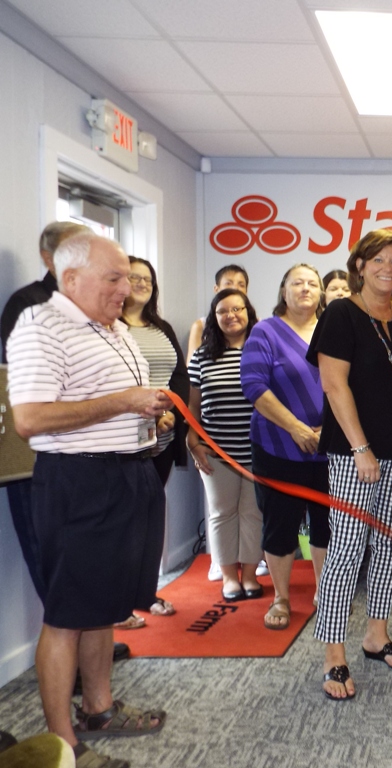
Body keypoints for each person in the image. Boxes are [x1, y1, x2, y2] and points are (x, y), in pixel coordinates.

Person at [7, 232, 169, 768]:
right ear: (70, 278)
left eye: (129, 277)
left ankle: (98, 709)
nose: (128, 288)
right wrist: (123, 401)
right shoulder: (41, 326)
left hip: (127, 476)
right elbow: (30, 419)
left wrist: (147, 413)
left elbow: (108, 402)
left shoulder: (114, 328)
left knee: (104, 605)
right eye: (115, 277)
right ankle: (64, 743)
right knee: (68, 615)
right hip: (79, 483)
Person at [309, 229, 392, 700]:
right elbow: (333, 384)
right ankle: (333, 654)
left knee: (388, 547)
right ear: (359, 265)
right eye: (378, 259)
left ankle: (376, 636)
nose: (388, 268)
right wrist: (361, 448)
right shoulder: (341, 314)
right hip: (353, 455)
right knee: (345, 551)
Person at [1, 221, 90, 604]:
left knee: (82, 553)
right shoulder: (29, 304)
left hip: (84, 450)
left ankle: (86, 629)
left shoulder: (91, 303)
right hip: (36, 453)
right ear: (48, 258)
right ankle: (63, 632)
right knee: (46, 553)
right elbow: (27, 383)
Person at [241, 264, 329, 631]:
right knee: (280, 524)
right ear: (283, 290)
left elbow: (351, 384)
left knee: (327, 523)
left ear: (321, 292)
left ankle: (326, 592)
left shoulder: (332, 331)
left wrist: (328, 430)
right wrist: (296, 428)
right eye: (297, 282)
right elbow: (253, 385)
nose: (305, 288)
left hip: (329, 447)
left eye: (312, 283)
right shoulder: (265, 332)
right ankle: (280, 597)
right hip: (277, 446)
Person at [119, 255, 190, 624]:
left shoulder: (161, 327)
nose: (142, 283)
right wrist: (149, 413)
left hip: (161, 439)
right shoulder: (110, 327)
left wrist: (171, 413)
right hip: (125, 440)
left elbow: (179, 377)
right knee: (124, 523)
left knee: (150, 518)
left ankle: (145, 594)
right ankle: (118, 603)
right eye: (134, 277)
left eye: (147, 278)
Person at [187, 289, 262, 604]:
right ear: (214, 318)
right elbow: (193, 406)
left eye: (237, 309)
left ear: (248, 312)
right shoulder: (202, 356)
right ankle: (229, 577)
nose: (231, 316)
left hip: (259, 450)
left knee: (253, 513)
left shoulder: (262, 352)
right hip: (217, 452)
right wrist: (193, 441)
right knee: (222, 513)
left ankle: (250, 575)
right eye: (223, 311)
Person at [187, 264, 249, 358]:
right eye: (228, 283)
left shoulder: (258, 324)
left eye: (241, 285)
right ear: (216, 289)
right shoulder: (201, 326)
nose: (235, 288)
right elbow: (192, 361)